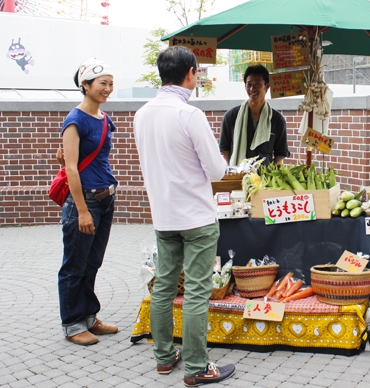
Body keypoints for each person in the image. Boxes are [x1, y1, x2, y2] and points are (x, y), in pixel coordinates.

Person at [133, 46, 235, 385]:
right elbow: (217, 168)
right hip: (196, 217)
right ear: (191, 73)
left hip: (163, 215)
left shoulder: (142, 113)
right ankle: (196, 366)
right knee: (196, 291)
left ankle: (164, 358)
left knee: (163, 286)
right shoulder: (189, 114)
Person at [57, 58, 119, 346]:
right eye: (101, 83)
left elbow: (97, 157)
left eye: (110, 83)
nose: (107, 88)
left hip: (106, 199)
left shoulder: (104, 119)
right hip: (86, 202)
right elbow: (71, 168)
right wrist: (82, 210)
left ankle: (89, 318)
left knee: (92, 262)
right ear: (85, 85)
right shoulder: (75, 119)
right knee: (74, 265)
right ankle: (72, 324)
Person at [219, 64, 290, 166]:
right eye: (249, 84)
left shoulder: (276, 119)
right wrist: (228, 173)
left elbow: (280, 154)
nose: (252, 89)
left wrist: (272, 177)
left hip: (264, 177)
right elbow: (224, 149)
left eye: (257, 84)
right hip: (237, 175)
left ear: (267, 87)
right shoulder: (231, 116)